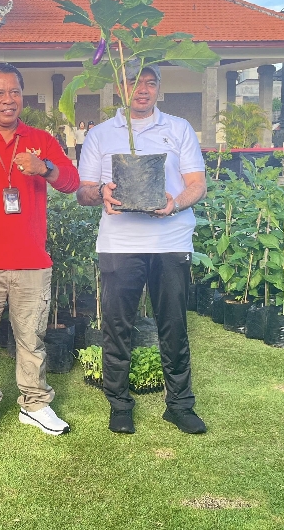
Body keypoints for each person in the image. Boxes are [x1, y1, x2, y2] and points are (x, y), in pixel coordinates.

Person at [0, 63, 80, 441]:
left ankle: (34, 405)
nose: (8, 100)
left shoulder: (40, 140)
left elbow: (71, 182)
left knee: (32, 339)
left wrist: (44, 167)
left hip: (31, 262)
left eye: (15, 92)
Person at [76, 63, 208, 436]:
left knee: (174, 326)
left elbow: (197, 184)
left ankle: (180, 405)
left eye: (150, 83)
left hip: (171, 241)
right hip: (120, 244)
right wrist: (100, 192)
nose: (143, 90)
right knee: (117, 326)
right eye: (135, 84)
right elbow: (83, 191)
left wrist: (175, 204)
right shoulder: (101, 134)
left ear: (159, 89)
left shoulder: (178, 128)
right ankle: (119, 405)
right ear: (121, 89)